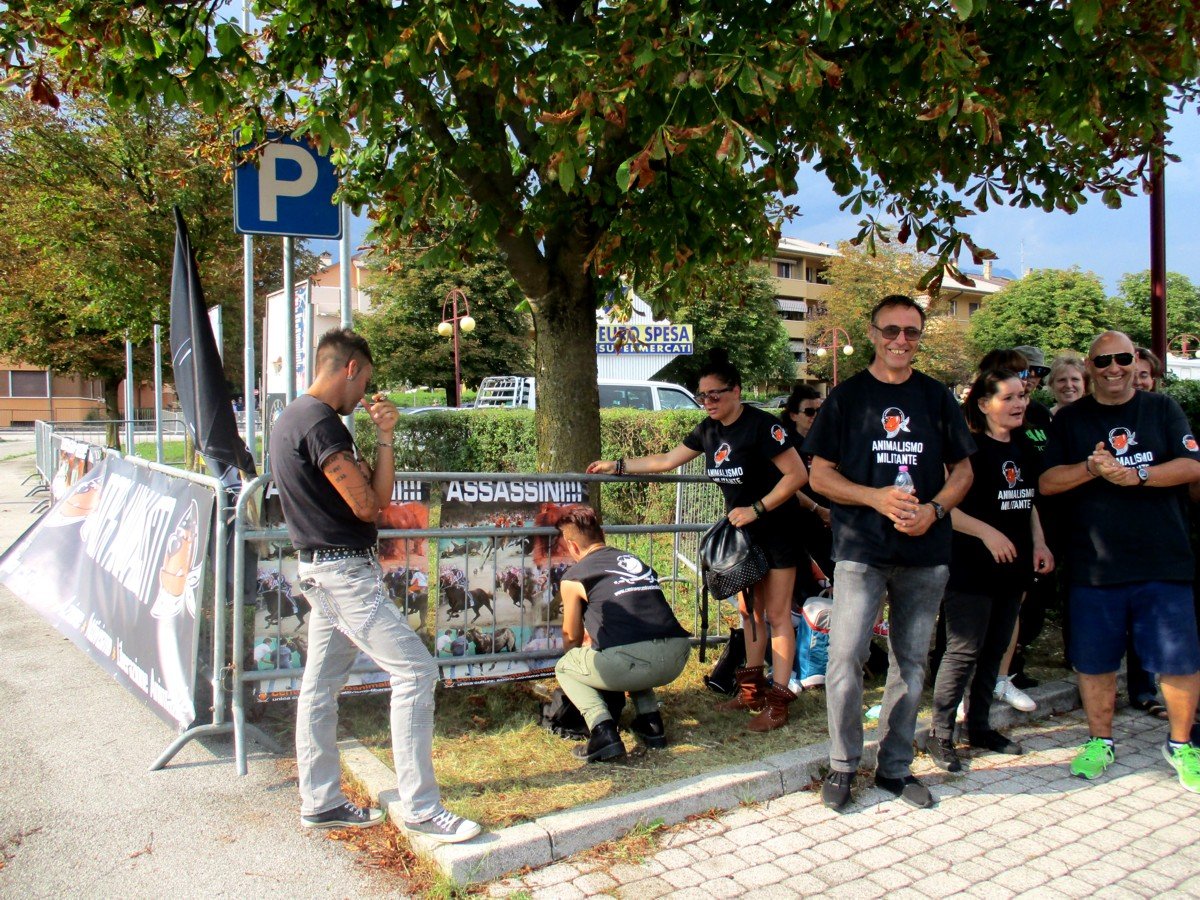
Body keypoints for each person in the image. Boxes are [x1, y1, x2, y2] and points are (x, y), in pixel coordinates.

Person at [269, 327, 480, 841]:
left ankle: (320, 801)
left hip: (328, 570)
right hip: (342, 573)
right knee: (416, 671)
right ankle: (422, 808)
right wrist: (368, 463)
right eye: (365, 380)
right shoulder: (321, 424)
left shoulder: (296, 417)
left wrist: (385, 437)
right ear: (350, 369)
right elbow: (367, 506)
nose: (365, 392)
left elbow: (378, 500)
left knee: (319, 689)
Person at [803, 294, 975, 810]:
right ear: (873, 334)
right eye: (891, 330)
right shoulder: (847, 397)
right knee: (845, 657)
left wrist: (935, 511)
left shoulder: (937, 398)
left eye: (911, 332)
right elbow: (819, 475)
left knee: (911, 663)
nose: (901, 340)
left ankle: (895, 768)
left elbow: (963, 471)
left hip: (926, 552)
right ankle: (842, 765)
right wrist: (874, 497)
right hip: (861, 549)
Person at [588, 351, 808, 732]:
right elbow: (667, 460)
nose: (708, 401)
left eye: (715, 394)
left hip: (777, 530)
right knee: (749, 613)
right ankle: (751, 692)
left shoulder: (763, 426)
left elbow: (797, 475)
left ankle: (778, 702)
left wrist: (757, 508)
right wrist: (618, 466)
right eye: (702, 395)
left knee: (776, 615)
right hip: (743, 536)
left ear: (736, 391)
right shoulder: (708, 430)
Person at [1040, 330, 1200, 793]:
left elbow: (1192, 465)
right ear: (1089, 367)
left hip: (1163, 561)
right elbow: (1046, 482)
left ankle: (1181, 744)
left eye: (1123, 359)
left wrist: (1137, 475)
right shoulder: (1071, 419)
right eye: (1103, 360)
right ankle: (1100, 741)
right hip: (1095, 566)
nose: (1114, 368)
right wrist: (1090, 468)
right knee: (1095, 663)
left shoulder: (1162, 409)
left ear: (1136, 362)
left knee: (1179, 661)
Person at [927, 369, 1054, 773]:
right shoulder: (967, 449)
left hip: (1013, 566)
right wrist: (987, 533)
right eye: (1009, 397)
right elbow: (945, 507)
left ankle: (979, 727)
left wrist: (1039, 542)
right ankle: (941, 734)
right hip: (971, 566)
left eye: (1022, 396)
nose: (1020, 404)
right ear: (984, 404)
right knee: (963, 650)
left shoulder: (1024, 445)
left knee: (997, 648)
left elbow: (1027, 501)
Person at [552, 506, 692, 762]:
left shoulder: (575, 577)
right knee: (633, 648)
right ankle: (651, 723)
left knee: (565, 666)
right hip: (678, 653)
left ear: (572, 546)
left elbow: (571, 637)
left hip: (634, 660)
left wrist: (582, 668)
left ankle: (602, 731)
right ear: (603, 534)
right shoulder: (635, 561)